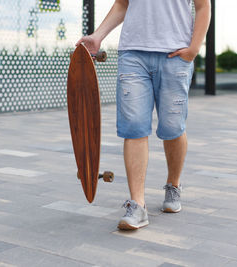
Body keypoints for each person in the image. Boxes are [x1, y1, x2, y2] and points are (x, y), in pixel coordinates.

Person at [76, 0, 211, 230]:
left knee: (172, 128)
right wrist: (98, 36)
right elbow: (122, 4)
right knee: (134, 127)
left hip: (175, 56)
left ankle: (173, 185)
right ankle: (137, 204)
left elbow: (203, 6)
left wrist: (194, 49)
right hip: (133, 55)